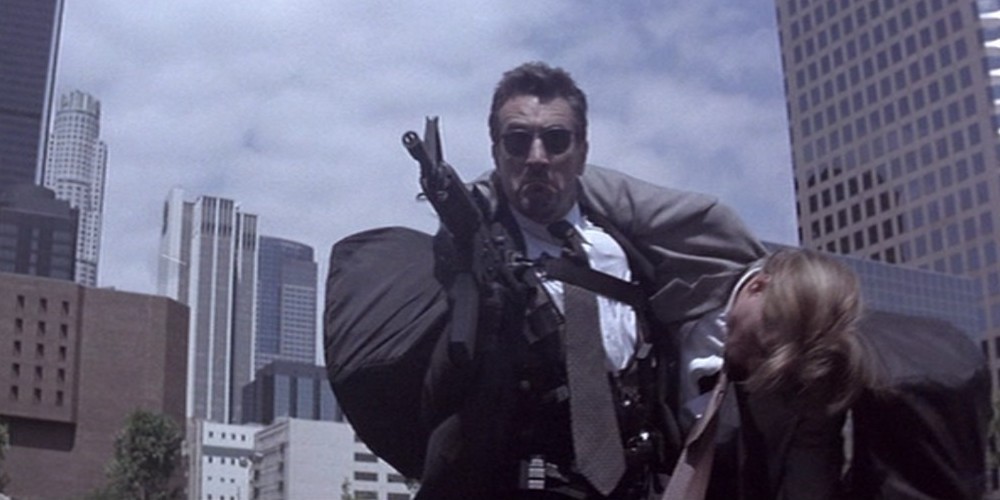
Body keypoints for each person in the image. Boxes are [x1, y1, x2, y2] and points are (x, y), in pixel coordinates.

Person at [414, 61, 766, 499]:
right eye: (518, 140)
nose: (537, 157)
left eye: (556, 140)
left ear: (581, 151)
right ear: (496, 152)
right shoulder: (475, 253)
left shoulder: (627, 247)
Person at [673, 248, 869, 500]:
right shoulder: (702, 245)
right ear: (757, 287)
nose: (755, 366)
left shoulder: (808, 390)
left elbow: (807, 482)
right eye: (762, 347)